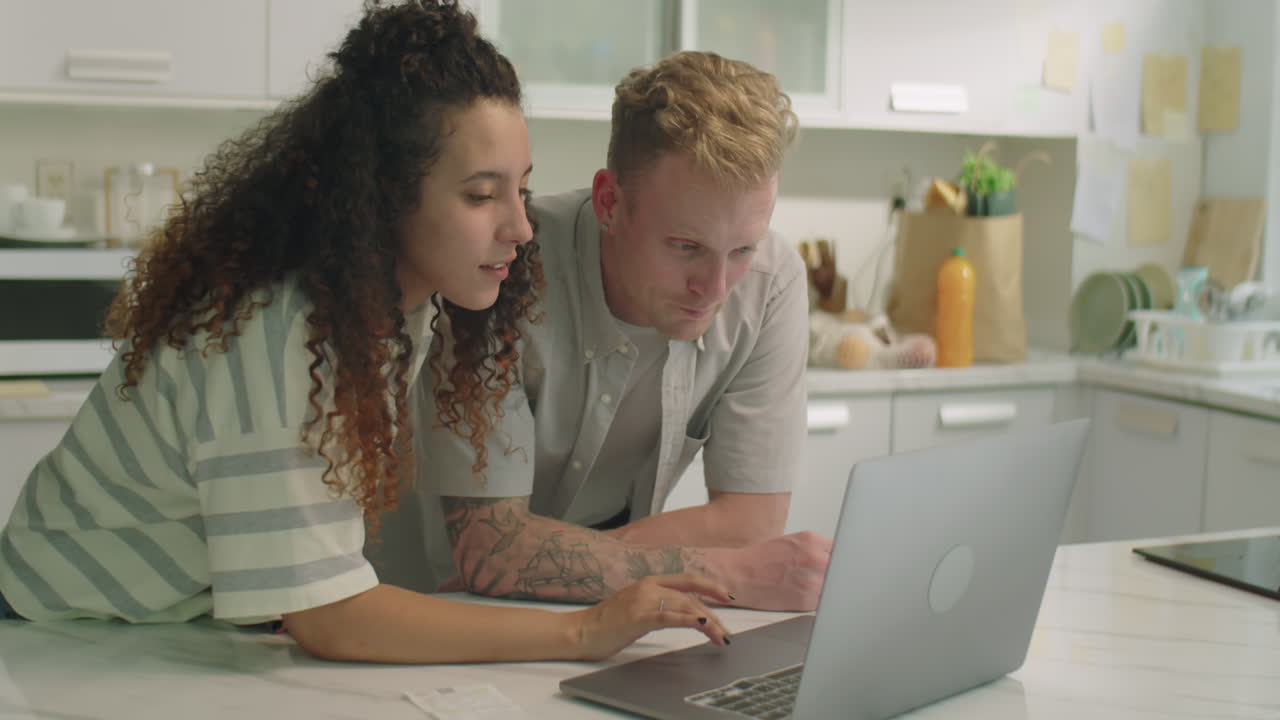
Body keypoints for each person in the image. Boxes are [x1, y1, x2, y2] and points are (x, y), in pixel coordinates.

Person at [0, 0, 733, 664]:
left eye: (521, 187)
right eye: (481, 194)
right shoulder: (281, 332)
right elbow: (331, 617)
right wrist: (583, 632)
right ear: (384, 196)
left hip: (157, 635)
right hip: (52, 643)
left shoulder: (387, 312)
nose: (519, 225)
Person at [385, 50, 832, 612]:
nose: (716, 287)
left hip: (618, 611)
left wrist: (530, 561)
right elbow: (488, 551)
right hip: (427, 607)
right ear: (609, 203)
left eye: (742, 248)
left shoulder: (771, 283)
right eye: (686, 247)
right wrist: (718, 570)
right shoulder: (497, 265)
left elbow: (752, 523)